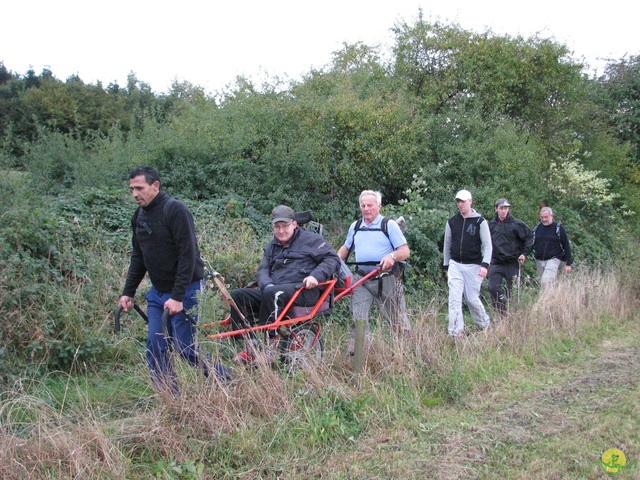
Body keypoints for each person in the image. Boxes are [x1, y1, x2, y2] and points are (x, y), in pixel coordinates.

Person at [118, 166, 211, 393]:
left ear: (155, 186)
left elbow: (187, 255)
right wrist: (128, 292)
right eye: (131, 189)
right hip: (158, 292)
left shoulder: (175, 210)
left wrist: (178, 297)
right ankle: (171, 398)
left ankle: (223, 378)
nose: (134, 194)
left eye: (139, 188)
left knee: (185, 346)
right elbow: (138, 257)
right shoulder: (138, 216)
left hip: (186, 289)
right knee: (156, 346)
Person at [230, 205, 341, 363]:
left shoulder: (311, 240)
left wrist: (315, 276)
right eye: (277, 227)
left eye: (285, 226)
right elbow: (262, 270)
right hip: (275, 291)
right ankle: (251, 346)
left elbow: (332, 259)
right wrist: (266, 285)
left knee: (273, 293)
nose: (281, 231)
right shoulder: (272, 246)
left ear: (294, 224)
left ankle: (270, 347)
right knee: (236, 296)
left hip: (304, 290)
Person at [337, 190, 411, 353]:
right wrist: (333, 263)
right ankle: (359, 356)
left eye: (370, 205)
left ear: (378, 206)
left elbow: (405, 251)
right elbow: (346, 247)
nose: (366, 208)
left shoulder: (388, 225)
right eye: (363, 205)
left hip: (387, 278)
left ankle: (405, 355)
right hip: (362, 279)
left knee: (397, 319)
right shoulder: (355, 227)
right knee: (359, 318)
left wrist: (392, 256)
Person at [443, 189, 492, 337]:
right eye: (458, 201)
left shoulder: (480, 222)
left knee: (471, 299)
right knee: (454, 298)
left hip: (474, 265)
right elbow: (447, 244)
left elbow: (487, 245)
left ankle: (484, 324)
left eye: (463, 201)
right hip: (455, 264)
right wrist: (446, 264)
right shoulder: (452, 222)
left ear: (470, 201)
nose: (460, 204)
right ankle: (455, 333)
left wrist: (485, 264)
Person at [488, 198, 534, 315]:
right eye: (501, 208)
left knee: (513, 292)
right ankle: (502, 313)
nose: (504, 211)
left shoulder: (516, 224)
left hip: (512, 262)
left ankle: (514, 317)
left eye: (506, 208)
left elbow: (529, 237)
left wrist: (524, 254)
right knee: (492, 288)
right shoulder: (491, 225)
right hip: (496, 262)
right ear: (496, 209)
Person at [532, 206, 573, 289]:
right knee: (543, 285)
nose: (544, 219)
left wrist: (568, 263)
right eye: (542, 217)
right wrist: (523, 255)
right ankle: (550, 300)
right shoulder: (537, 228)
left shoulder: (558, 228)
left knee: (546, 281)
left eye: (546, 217)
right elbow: (530, 244)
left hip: (554, 259)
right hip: (539, 260)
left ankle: (546, 301)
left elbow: (566, 245)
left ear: (552, 216)